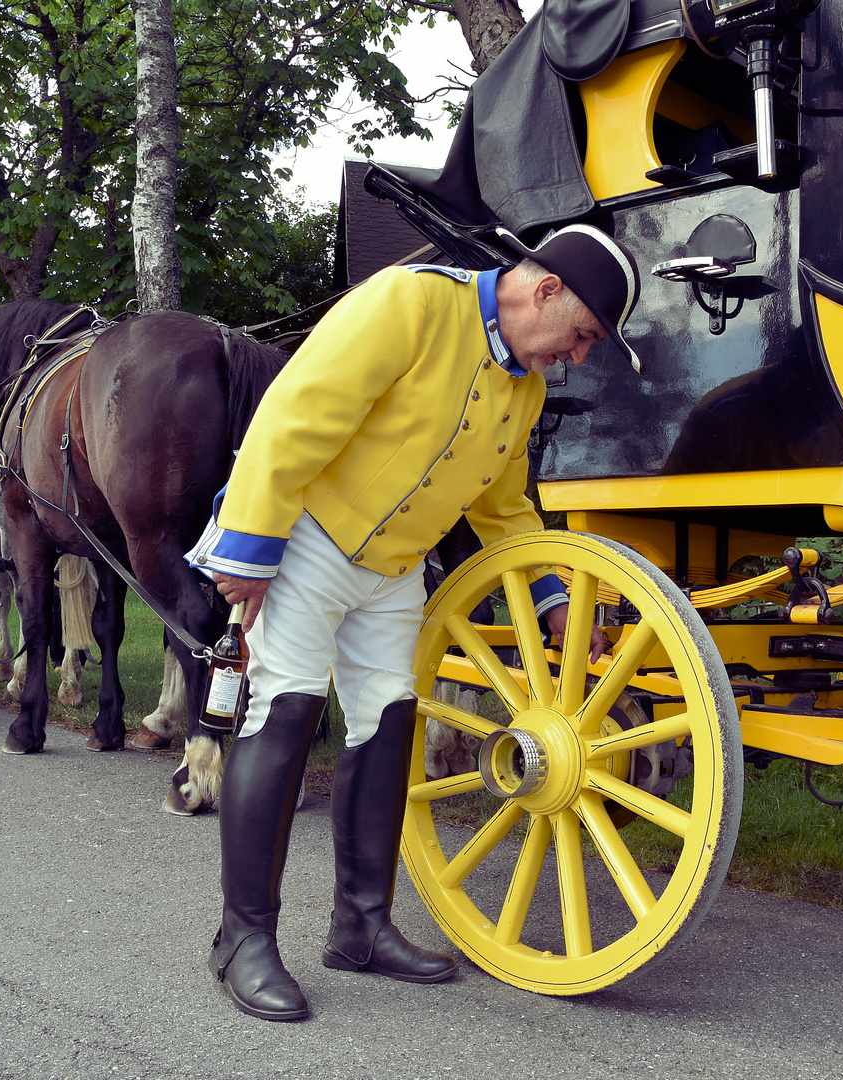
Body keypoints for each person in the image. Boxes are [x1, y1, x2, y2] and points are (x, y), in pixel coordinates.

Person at [185, 224, 643, 1021]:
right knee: (285, 708)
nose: (575, 357)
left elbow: (504, 510)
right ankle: (241, 940)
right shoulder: (411, 304)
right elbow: (294, 415)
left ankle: (360, 927)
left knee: (387, 722)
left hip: (396, 568)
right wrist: (249, 544)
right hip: (311, 542)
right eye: (580, 336)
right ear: (544, 291)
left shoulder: (524, 389)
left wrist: (554, 597)